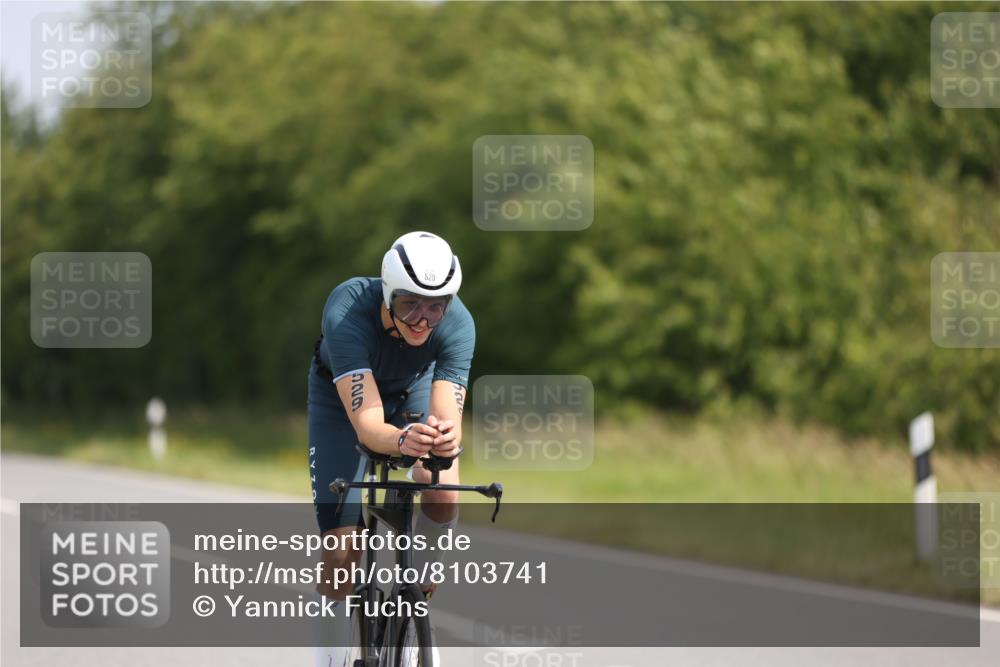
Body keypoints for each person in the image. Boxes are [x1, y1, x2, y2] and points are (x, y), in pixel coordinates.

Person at [307, 231, 474, 667]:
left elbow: (444, 419)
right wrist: (402, 440)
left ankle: (418, 600)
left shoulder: (458, 324)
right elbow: (367, 426)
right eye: (409, 304)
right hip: (342, 402)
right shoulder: (346, 309)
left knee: (443, 484)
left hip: (412, 390)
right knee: (343, 551)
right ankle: (326, 657)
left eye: (436, 305)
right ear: (387, 294)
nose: (422, 319)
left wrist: (443, 439)